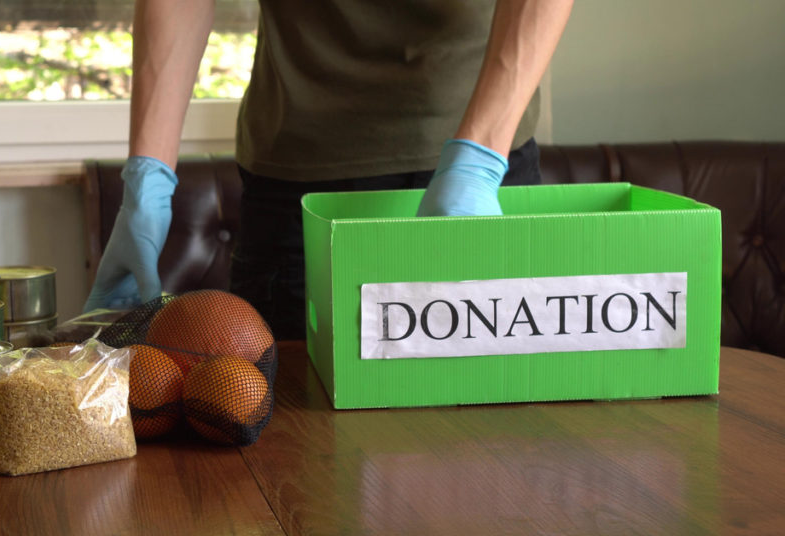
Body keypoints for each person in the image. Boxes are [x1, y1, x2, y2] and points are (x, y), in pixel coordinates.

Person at [84, 0, 575, 339]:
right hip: (296, 188)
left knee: (490, 429)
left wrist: (479, 160)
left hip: (483, 159)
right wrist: (147, 182)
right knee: (291, 452)